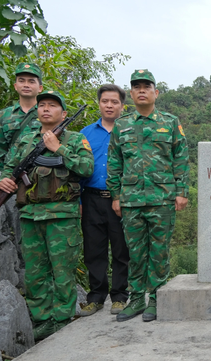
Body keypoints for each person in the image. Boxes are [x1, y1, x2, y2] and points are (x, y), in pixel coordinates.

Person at [0, 91, 94, 340]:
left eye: (52, 106)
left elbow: (86, 169)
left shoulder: (75, 139)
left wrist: (58, 148)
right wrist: (4, 181)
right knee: (35, 273)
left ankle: (61, 320)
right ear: (37, 112)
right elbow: (8, 168)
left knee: (63, 271)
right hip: (30, 215)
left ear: (63, 114)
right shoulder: (25, 140)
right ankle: (42, 320)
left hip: (62, 216)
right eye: (42, 105)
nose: (46, 109)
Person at [107, 69, 189, 323]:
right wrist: (116, 195)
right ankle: (136, 300)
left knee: (159, 251)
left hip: (162, 198)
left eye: (146, 86)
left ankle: (155, 298)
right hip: (131, 200)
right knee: (135, 251)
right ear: (131, 93)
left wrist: (181, 192)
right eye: (136, 87)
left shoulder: (170, 122)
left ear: (156, 92)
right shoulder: (122, 125)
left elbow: (181, 159)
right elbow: (114, 162)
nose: (141, 90)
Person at [78, 85, 130, 317]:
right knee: (94, 249)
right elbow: (76, 168)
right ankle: (96, 297)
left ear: (122, 106)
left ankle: (119, 296)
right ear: (99, 103)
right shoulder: (85, 133)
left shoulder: (129, 132)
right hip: (91, 198)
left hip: (120, 200)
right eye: (105, 101)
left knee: (121, 250)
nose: (109, 105)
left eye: (114, 102)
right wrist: (78, 200)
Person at [0, 62, 43, 170]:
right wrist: (1, 179)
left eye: (31, 81)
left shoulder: (48, 113)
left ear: (40, 88)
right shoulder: (3, 116)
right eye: (21, 81)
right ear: (15, 86)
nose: (26, 85)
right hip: (10, 176)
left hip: (41, 176)